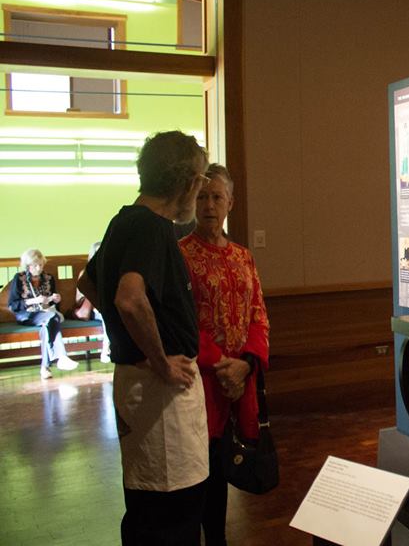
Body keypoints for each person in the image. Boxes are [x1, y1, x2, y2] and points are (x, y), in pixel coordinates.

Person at [77, 130, 210, 545]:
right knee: (173, 513)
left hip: (143, 387)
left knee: (148, 511)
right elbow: (129, 299)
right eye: (201, 180)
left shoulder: (124, 220)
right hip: (161, 394)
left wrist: (122, 329)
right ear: (187, 182)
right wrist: (160, 361)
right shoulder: (152, 228)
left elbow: (87, 282)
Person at [178, 163, 270, 546]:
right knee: (203, 475)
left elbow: (258, 314)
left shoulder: (242, 257)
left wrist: (246, 364)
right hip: (202, 383)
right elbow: (181, 321)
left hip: (240, 381)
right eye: (202, 196)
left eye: (217, 196)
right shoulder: (180, 254)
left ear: (230, 202)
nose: (209, 205)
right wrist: (221, 366)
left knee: (230, 464)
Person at [8, 248, 79, 379]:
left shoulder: (49, 278)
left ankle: (44, 367)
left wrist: (55, 300)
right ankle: (61, 357)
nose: (39, 268)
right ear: (28, 265)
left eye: (41, 264)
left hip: (46, 314)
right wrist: (34, 300)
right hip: (27, 314)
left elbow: (53, 305)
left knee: (48, 325)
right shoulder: (19, 278)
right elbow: (13, 305)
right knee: (52, 318)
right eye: (35, 265)